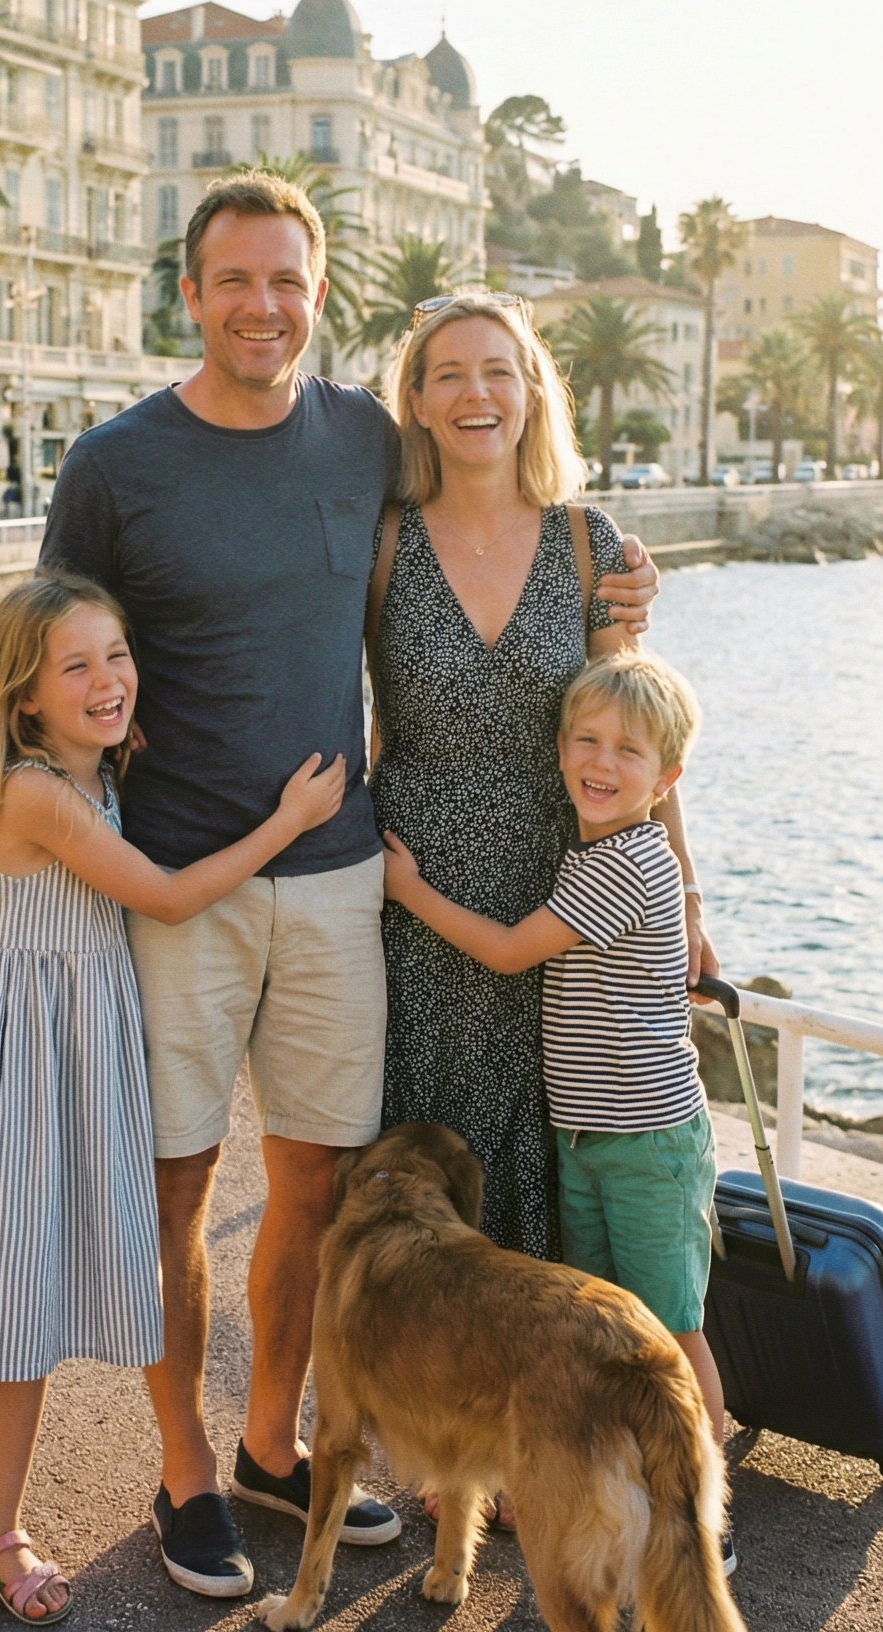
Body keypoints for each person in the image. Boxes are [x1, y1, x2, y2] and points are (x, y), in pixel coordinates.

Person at [0, 171, 657, 1601]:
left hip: (342, 881)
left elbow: (491, 495)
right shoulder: (117, 464)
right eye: (234, 281)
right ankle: (186, 1466)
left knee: (318, 1189)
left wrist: (621, 582)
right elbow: (34, 674)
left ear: (320, 296)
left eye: (288, 281)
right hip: (176, 887)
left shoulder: (364, 442)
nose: (262, 306)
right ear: (189, 293)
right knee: (176, 1190)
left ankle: (274, 1443)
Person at [0, 570, 349, 1612]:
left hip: (56, 1061)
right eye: (74, 665)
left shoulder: (94, 775)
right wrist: (289, 818)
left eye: (116, 654)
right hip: (2, 1067)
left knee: (21, 1302)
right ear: (24, 696)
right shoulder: (39, 792)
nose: (107, 679)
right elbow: (166, 898)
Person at [369, 293, 716, 1266]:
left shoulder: (588, 541)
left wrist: (682, 891)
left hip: (557, 908)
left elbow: (638, 728)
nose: (474, 392)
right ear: (418, 401)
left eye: (496, 370)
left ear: (529, 393)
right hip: (412, 903)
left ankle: (534, 1408)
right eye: (447, 374)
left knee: (546, 1165)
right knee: (416, 1164)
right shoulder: (380, 540)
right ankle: (411, 1400)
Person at [380, 648, 735, 1575]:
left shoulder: (622, 866)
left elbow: (505, 952)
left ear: (668, 779)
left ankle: (701, 1523)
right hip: (585, 1138)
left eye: (629, 750)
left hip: (650, 1145)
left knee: (670, 1329)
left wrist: (409, 889)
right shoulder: (596, 849)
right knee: (606, 1324)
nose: (602, 762)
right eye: (586, 739)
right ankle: (626, 1496)